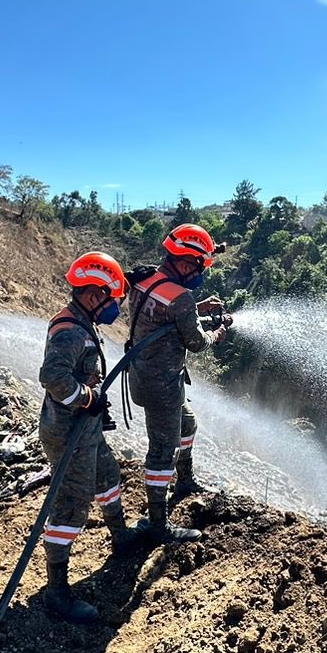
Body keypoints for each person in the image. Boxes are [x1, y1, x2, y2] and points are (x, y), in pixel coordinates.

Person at [36, 252, 136, 621]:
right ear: (94, 295)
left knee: (108, 478)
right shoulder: (71, 331)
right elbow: (54, 378)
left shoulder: (82, 322)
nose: (115, 307)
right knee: (72, 507)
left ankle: (121, 536)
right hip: (69, 432)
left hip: (86, 428)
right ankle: (57, 592)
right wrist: (88, 397)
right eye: (112, 299)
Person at [125, 223, 228, 543]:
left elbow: (159, 314)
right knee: (161, 451)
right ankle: (159, 526)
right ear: (183, 262)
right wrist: (217, 333)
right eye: (198, 266)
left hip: (143, 375)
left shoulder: (145, 279)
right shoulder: (180, 297)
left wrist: (198, 308)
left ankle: (185, 481)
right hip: (162, 385)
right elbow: (196, 342)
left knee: (188, 425)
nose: (199, 273)